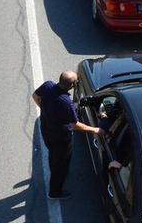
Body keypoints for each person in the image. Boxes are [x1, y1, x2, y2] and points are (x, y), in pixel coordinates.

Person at [33, 71, 103, 199]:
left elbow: (35, 96)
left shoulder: (48, 86)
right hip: (60, 137)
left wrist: (44, 109)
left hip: (46, 129)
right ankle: (55, 192)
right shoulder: (65, 102)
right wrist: (95, 130)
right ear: (72, 85)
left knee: (53, 153)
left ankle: (54, 168)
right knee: (61, 163)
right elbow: (75, 125)